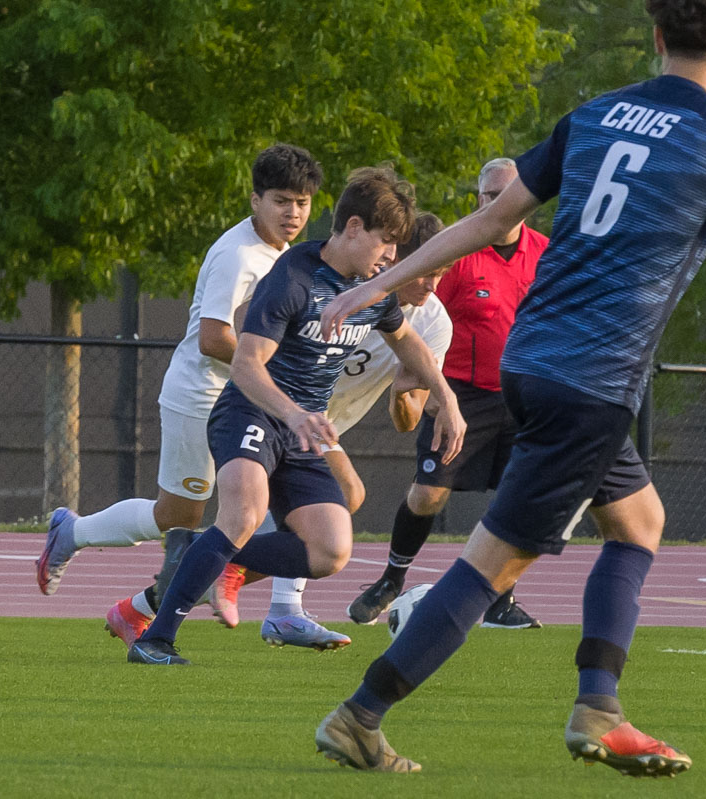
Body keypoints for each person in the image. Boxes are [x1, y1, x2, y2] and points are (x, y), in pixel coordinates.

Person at [313, 0, 706, 775]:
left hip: (529, 361)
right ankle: (361, 714)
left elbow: (493, 219)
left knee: (640, 522)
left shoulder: (595, 116)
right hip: (591, 384)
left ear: (657, 36)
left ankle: (600, 703)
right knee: (493, 563)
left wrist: (383, 279)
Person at [126, 166, 466, 666]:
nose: (392, 257)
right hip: (253, 411)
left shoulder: (372, 286)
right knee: (243, 515)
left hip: (300, 428)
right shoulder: (293, 278)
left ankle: (202, 551)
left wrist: (447, 398)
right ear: (352, 227)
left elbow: (407, 341)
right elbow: (245, 364)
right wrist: (295, 413)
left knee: (330, 551)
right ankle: (156, 640)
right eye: (385, 243)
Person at [36, 144, 353, 649]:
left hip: (260, 403)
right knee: (180, 517)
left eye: (303, 202)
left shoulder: (292, 257)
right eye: (281, 200)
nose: (293, 213)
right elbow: (212, 338)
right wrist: (276, 379)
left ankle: (281, 609)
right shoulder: (239, 254)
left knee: (278, 507)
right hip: (204, 397)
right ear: (255, 200)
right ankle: (74, 535)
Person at [204, 213, 456, 640]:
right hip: (276, 405)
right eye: (425, 270)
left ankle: (196, 580)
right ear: (396, 259)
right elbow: (252, 319)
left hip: (322, 422)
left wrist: (408, 392)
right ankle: (246, 585)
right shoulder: (345, 281)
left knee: (331, 509)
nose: (431, 284)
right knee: (207, 512)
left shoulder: (434, 323)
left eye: (441, 273)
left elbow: (407, 419)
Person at [345, 158, 547, 631]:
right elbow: (420, 308)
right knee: (428, 494)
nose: (495, 206)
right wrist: (425, 386)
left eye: (506, 197)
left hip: (522, 394)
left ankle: (501, 598)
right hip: (459, 394)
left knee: (516, 499)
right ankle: (391, 581)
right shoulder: (459, 249)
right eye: (487, 197)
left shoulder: (545, 253)